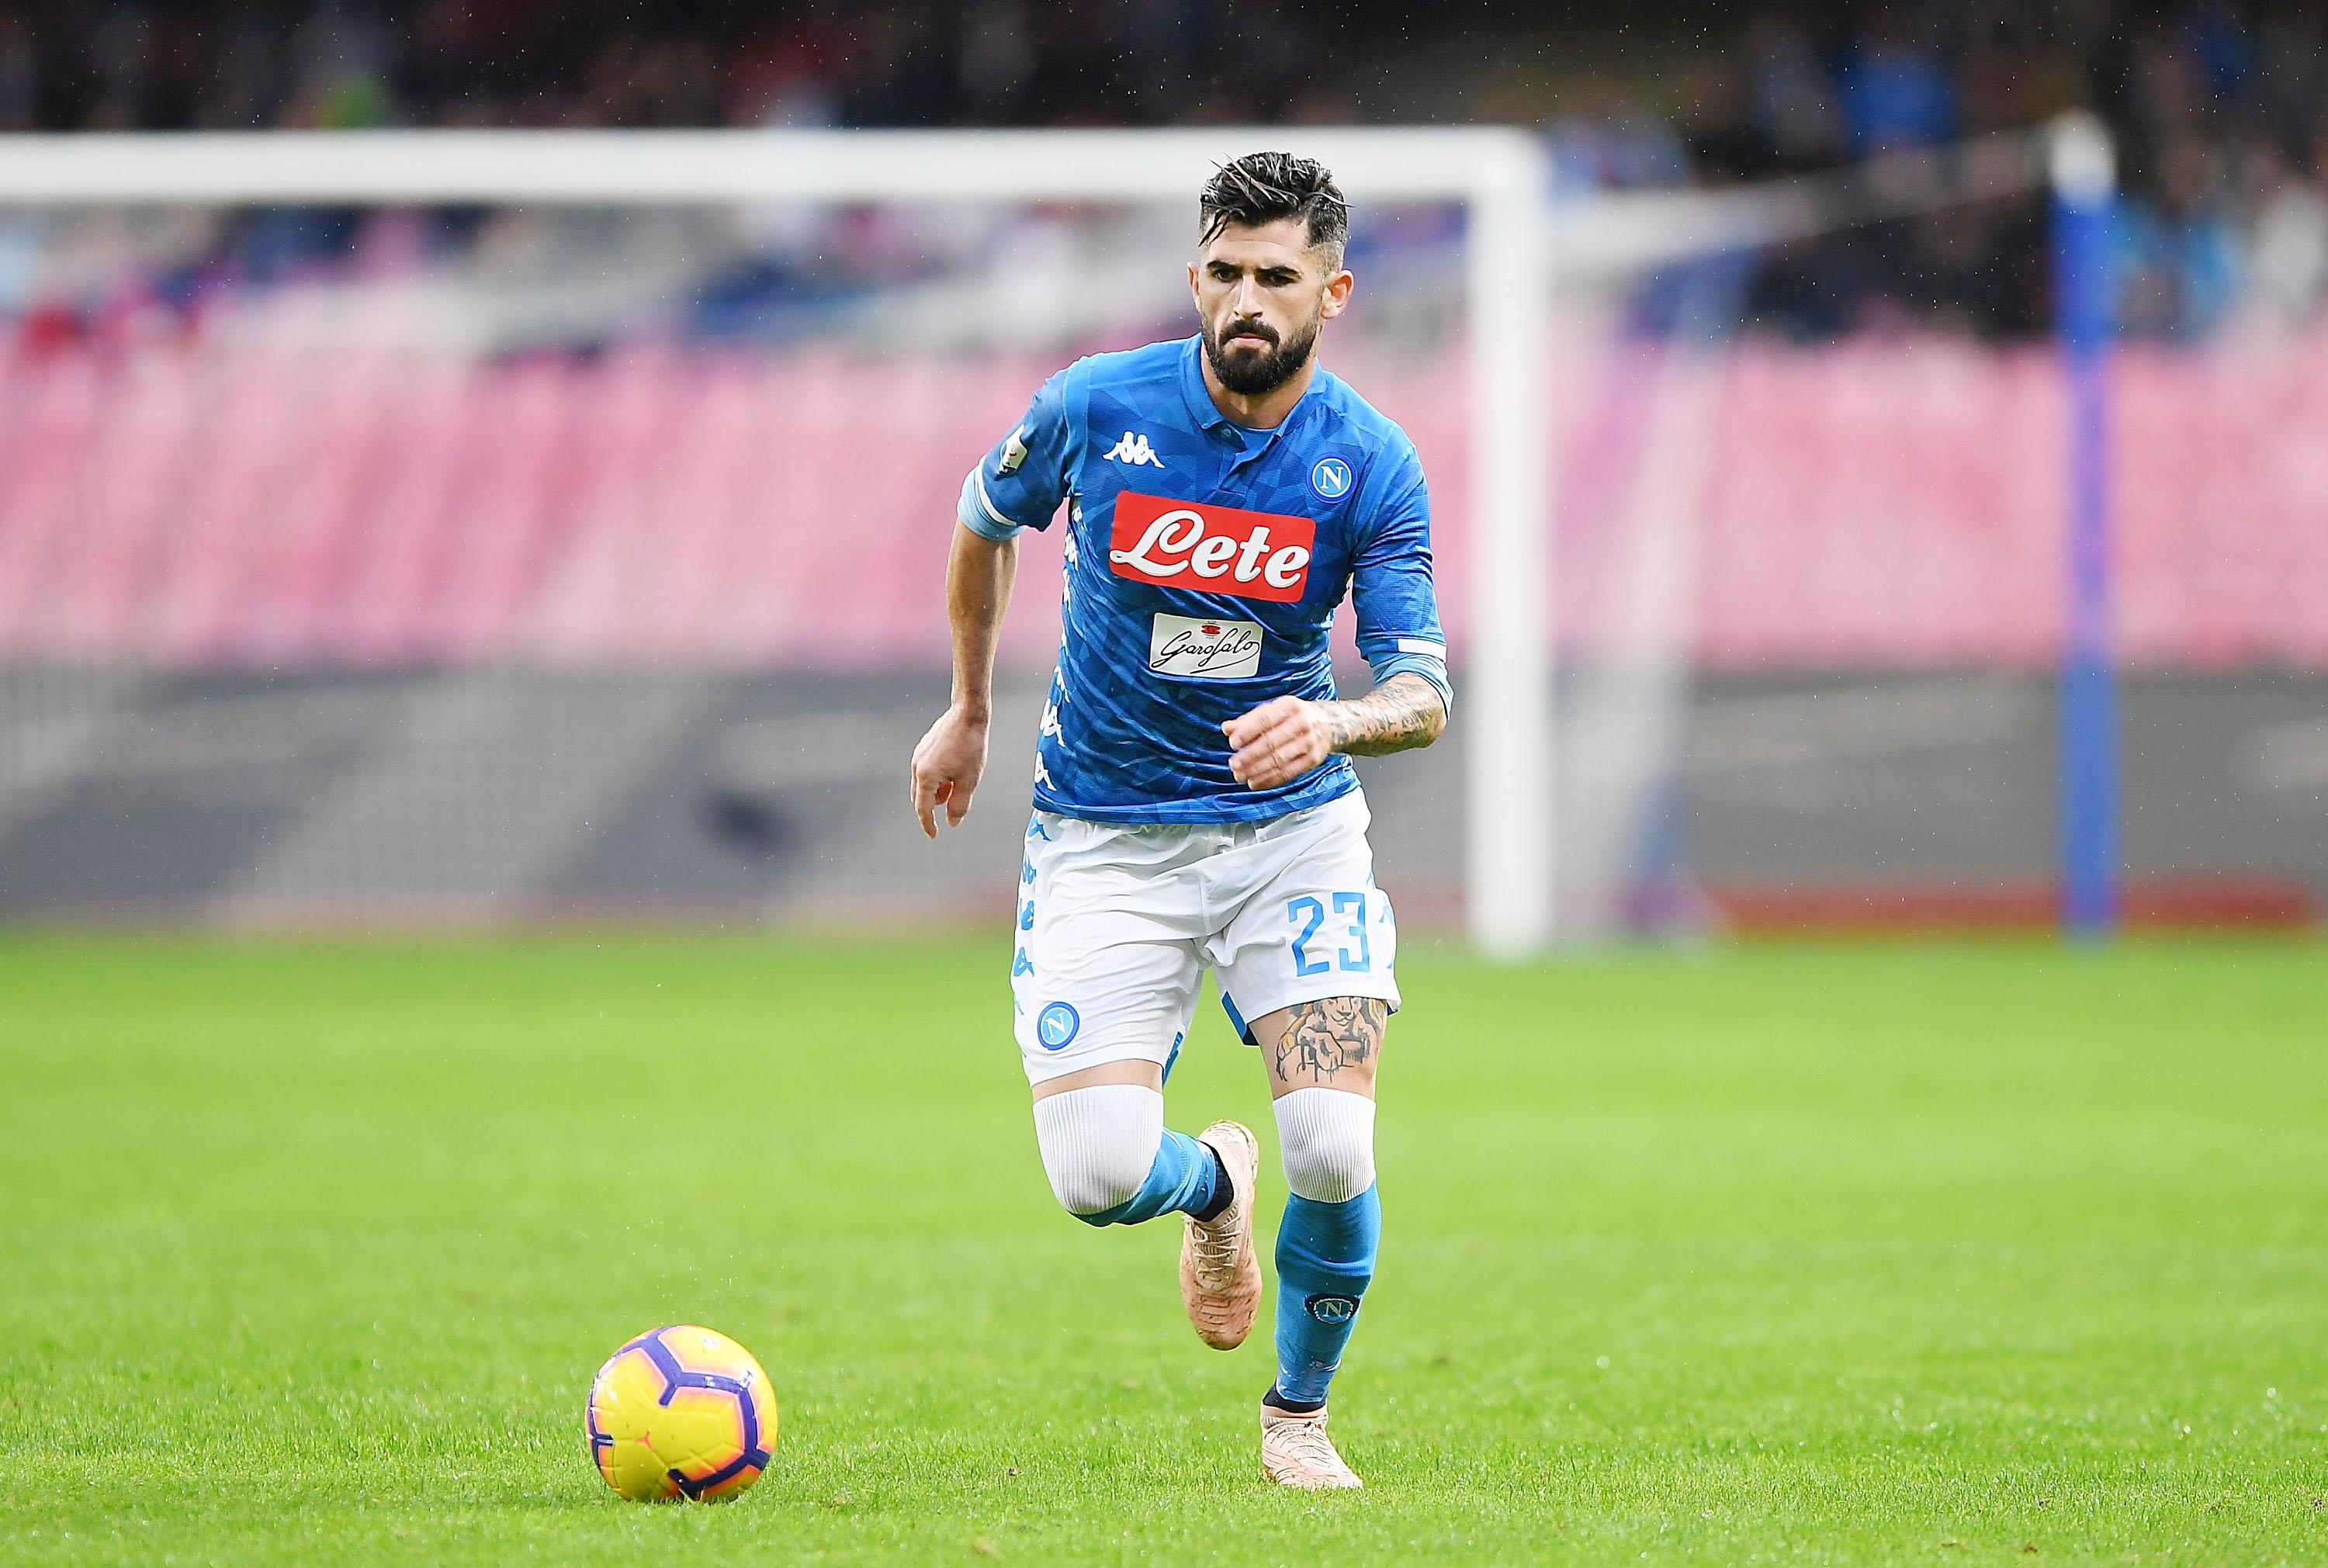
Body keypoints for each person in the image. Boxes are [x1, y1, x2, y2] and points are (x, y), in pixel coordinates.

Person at [909, 151, 1449, 1490]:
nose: (1246, 301)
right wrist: (969, 705)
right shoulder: (1099, 405)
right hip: (1102, 832)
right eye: (1224, 272)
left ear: (1335, 287)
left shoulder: (1372, 464)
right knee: (1092, 1176)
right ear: (1193, 276)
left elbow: (1424, 691)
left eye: (1277, 276)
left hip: (1291, 833)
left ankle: (1298, 1416)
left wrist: (1333, 720)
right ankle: (1214, 1182)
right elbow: (985, 522)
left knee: (1334, 1137)